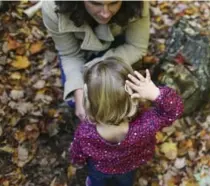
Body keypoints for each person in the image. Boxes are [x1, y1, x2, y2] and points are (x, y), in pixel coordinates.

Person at [69, 57, 184, 186]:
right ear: (134, 99)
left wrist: (77, 162)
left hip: (100, 169)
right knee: (125, 182)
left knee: (97, 182)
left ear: (88, 103)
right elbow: (174, 111)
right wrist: (156, 93)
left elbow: (77, 152)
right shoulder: (145, 124)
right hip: (128, 166)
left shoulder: (85, 132)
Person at [41, 1, 150, 120]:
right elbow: (69, 54)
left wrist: (98, 69)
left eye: (114, 3)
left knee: (114, 94)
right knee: (77, 98)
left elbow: (136, 46)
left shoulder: (138, 2)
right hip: (79, 46)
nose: (105, 14)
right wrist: (78, 89)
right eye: (95, 3)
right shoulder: (53, 7)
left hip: (116, 41)